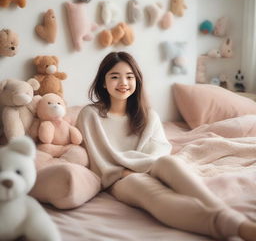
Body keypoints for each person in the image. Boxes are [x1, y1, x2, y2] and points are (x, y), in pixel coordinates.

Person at [77, 51, 256, 241]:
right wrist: (125, 172)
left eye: (129, 77)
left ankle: (225, 212)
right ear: (103, 82)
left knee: (169, 163)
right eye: (115, 77)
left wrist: (149, 168)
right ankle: (237, 227)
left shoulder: (148, 115)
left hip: (152, 167)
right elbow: (99, 160)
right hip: (120, 178)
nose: (123, 82)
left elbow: (160, 150)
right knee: (155, 195)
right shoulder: (90, 115)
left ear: (137, 81)